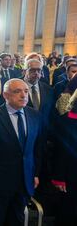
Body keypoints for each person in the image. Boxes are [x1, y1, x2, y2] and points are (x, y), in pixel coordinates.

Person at [0, 79, 43, 226]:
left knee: (17, 219)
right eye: (17, 91)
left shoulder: (35, 115)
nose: (23, 95)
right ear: (5, 95)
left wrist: (36, 173)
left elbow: (37, 149)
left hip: (25, 179)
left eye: (26, 91)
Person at [51, 89, 77, 226]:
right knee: (68, 210)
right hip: (71, 172)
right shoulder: (69, 116)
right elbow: (62, 149)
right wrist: (59, 177)